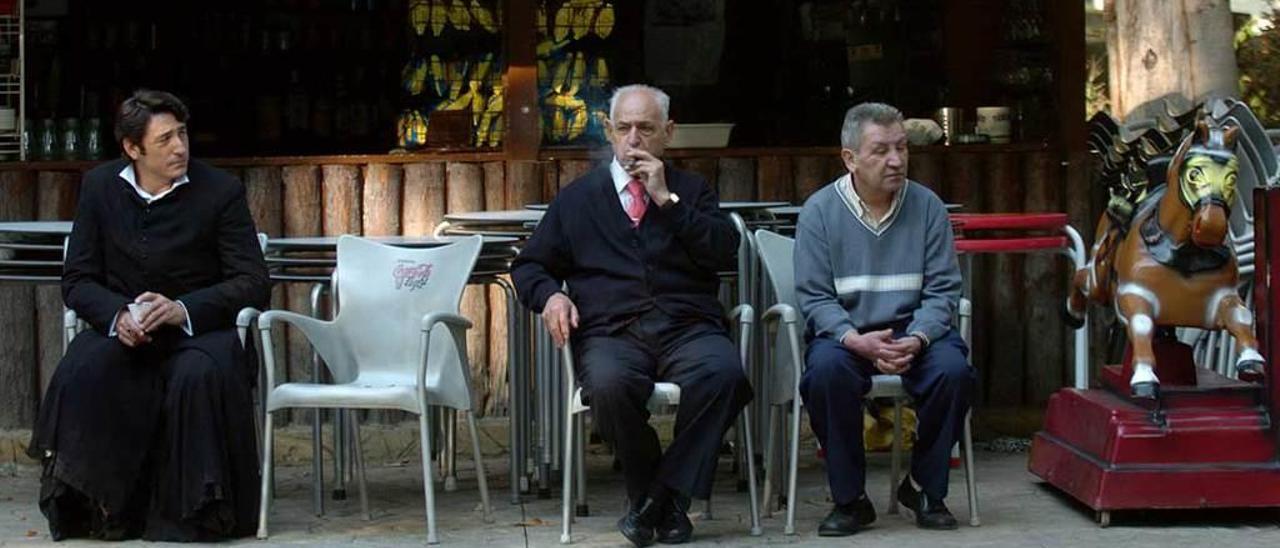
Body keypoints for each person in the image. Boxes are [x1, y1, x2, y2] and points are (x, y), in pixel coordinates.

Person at [512, 84, 751, 546]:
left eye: (646, 128)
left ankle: (657, 501)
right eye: (624, 128)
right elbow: (530, 265)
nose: (634, 139)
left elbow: (723, 250)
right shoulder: (578, 199)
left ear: (669, 132)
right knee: (605, 385)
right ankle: (663, 497)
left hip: (687, 327)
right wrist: (551, 298)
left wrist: (666, 199)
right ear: (610, 131)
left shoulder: (691, 191)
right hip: (612, 331)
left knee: (726, 376)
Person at [28, 90, 270, 541]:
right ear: (133, 148)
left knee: (195, 375)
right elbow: (77, 279)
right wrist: (118, 316)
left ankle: (193, 516)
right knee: (84, 368)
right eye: (165, 140)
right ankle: (101, 509)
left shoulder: (220, 191)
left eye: (182, 134)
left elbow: (252, 281)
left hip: (201, 331)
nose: (180, 147)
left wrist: (182, 309)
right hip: (128, 329)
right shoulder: (100, 187)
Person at [794, 102, 974, 536]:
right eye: (880, 151)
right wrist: (853, 338)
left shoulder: (928, 207)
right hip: (849, 336)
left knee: (955, 372)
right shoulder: (819, 211)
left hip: (914, 331)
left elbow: (943, 290)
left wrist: (918, 338)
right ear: (849, 158)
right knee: (824, 374)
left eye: (901, 148)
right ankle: (850, 499)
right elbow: (814, 298)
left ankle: (924, 487)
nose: (896, 160)